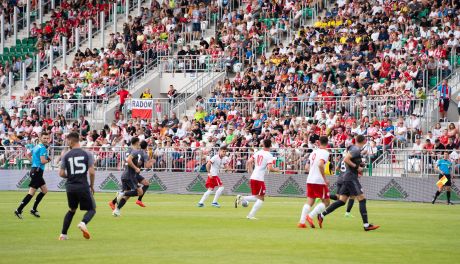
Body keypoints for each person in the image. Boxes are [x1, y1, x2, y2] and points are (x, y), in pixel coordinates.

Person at [318, 135, 380, 231]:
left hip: (347, 177)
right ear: (364, 141)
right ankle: (366, 225)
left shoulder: (353, 148)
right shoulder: (356, 150)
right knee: (362, 199)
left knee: (342, 201)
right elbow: (346, 159)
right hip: (351, 178)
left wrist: (359, 164)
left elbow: (349, 159)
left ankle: (321, 215)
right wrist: (357, 167)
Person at [58, 132, 96, 240]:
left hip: (70, 186)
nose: (66, 142)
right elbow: (92, 172)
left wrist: (71, 176)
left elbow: (61, 173)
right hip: (82, 185)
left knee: (72, 209)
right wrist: (91, 185)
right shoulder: (87, 154)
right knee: (92, 209)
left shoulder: (66, 155)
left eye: (67, 140)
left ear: (71, 140)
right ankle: (83, 223)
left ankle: (63, 234)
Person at [235, 139, 280, 220]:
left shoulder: (258, 152)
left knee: (256, 197)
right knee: (261, 199)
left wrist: (251, 173)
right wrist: (276, 170)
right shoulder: (269, 155)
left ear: (263, 145)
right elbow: (270, 168)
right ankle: (250, 215)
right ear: (270, 146)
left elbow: (248, 162)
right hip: (259, 179)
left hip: (254, 177)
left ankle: (242, 198)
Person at [14, 132, 51, 219]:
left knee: (45, 190)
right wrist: (49, 159)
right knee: (31, 193)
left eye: (47, 138)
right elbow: (42, 161)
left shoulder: (36, 146)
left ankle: (33, 209)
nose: (46, 140)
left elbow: (27, 155)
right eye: (44, 138)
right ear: (40, 138)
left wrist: (33, 162)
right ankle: (19, 210)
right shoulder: (42, 148)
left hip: (35, 171)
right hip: (37, 172)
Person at [298, 136, 331, 228]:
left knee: (310, 201)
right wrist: (324, 179)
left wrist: (313, 173)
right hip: (318, 180)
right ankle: (310, 216)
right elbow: (320, 164)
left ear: (319, 142)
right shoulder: (325, 153)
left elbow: (306, 167)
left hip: (310, 179)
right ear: (327, 143)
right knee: (327, 202)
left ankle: (302, 222)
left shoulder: (313, 152)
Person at [108, 140, 153, 209]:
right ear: (146, 147)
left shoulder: (132, 150)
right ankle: (116, 203)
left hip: (130, 172)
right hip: (133, 173)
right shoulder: (144, 153)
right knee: (129, 193)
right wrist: (152, 162)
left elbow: (128, 160)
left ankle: (138, 200)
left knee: (146, 183)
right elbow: (147, 166)